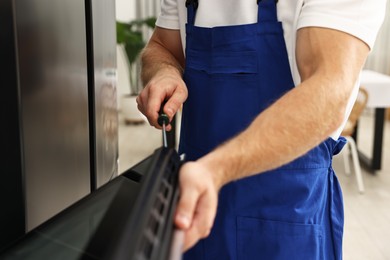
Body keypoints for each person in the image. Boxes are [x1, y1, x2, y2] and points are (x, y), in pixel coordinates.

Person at [136, 0, 386, 259]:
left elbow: (329, 91)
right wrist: (164, 71)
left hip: (285, 223)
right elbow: (163, 46)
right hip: (195, 216)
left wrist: (216, 170)